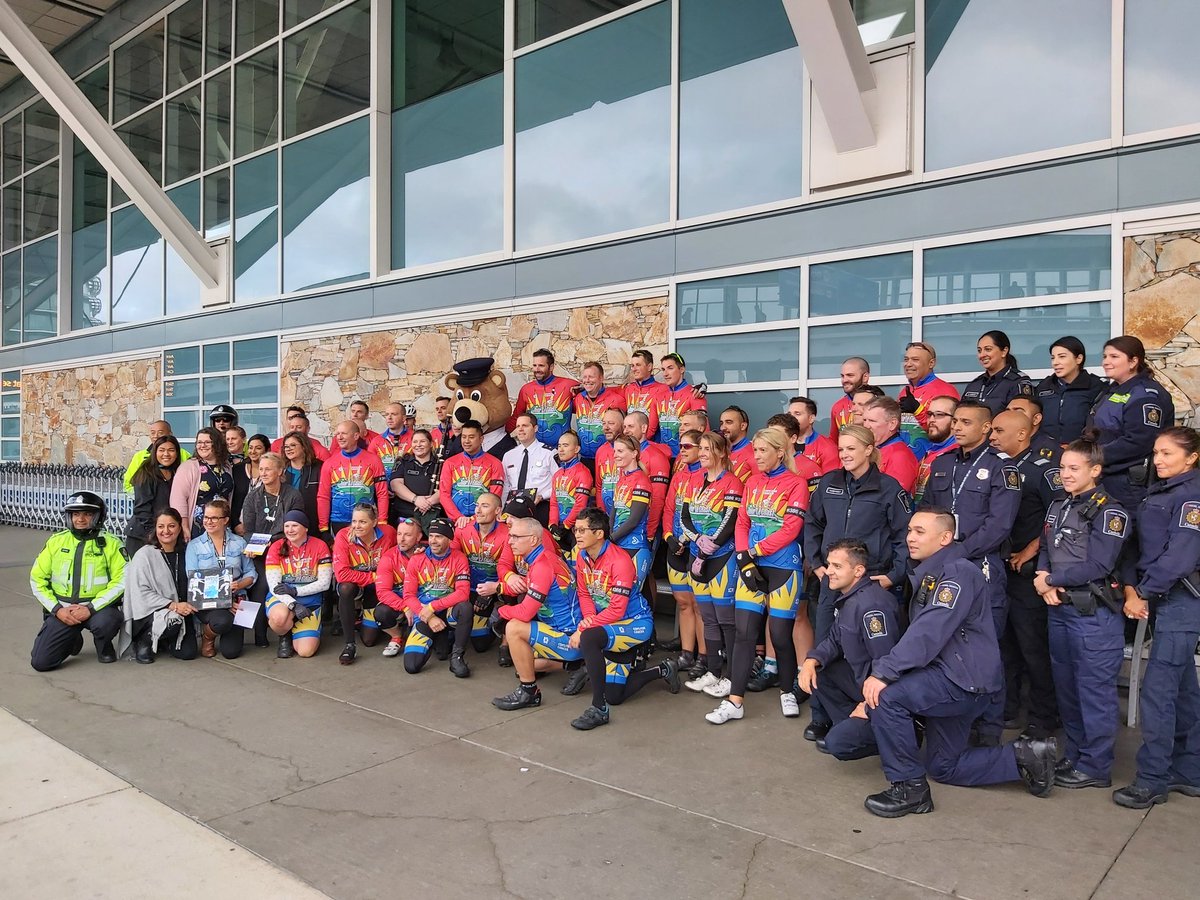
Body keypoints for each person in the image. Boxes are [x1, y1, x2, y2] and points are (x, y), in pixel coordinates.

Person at [860, 509, 1058, 818]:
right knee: (944, 767)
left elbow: (931, 629)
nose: (910, 537)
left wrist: (885, 672)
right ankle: (1025, 757)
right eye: (910, 530)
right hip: (953, 675)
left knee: (885, 698)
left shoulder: (957, 573)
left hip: (961, 679)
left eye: (920, 531)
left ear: (945, 538)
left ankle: (910, 789)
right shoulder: (933, 570)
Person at [920, 400, 1021, 743]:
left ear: (986, 428)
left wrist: (956, 552)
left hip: (980, 568)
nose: (958, 427)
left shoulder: (1001, 468)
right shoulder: (942, 462)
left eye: (966, 422)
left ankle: (988, 730)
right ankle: (952, 725)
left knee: (987, 648)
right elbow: (928, 511)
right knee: (944, 644)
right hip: (940, 569)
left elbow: (999, 525)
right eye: (956, 421)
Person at [804, 424, 911, 741]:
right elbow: (812, 524)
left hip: (869, 584)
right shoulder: (829, 483)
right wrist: (817, 563)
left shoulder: (889, 489)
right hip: (832, 580)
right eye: (841, 449)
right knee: (823, 647)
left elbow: (904, 537)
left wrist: (894, 576)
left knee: (868, 652)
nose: (845, 455)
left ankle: (868, 714)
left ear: (869, 448)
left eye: (852, 448)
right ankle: (823, 717)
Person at [1031, 440, 1127, 788]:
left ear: (1095, 470)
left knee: (1094, 693)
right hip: (1060, 610)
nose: (1066, 474)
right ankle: (1075, 756)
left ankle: (1096, 767)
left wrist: (1050, 579)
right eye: (1063, 467)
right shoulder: (1058, 505)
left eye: (1074, 468)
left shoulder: (1110, 512)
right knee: (1067, 690)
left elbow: (1099, 564)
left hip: (1093, 615)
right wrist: (1044, 580)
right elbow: (1045, 548)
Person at [1114, 426, 1200, 808]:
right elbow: (1139, 548)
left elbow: (1179, 557)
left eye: (1167, 454)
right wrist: (1133, 588)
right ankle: (1189, 771)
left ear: (1192, 457)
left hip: (1182, 599)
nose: (1159, 460)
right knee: (1182, 690)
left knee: (1159, 691)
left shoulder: (1191, 497)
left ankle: (1153, 779)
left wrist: (1143, 592)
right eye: (1156, 453)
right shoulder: (1160, 491)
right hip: (1161, 596)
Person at [707, 428, 808, 724]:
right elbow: (742, 522)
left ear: (780, 452)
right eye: (755, 451)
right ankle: (735, 701)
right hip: (751, 566)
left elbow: (791, 529)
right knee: (744, 635)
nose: (757, 456)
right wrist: (743, 556)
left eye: (763, 450)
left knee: (779, 635)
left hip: (784, 567)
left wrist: (755, 550)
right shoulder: (751, 482)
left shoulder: (797, 483)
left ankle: (788, 690)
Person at [567, 508, 681, 730]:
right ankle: (663, 670)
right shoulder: (581, 556)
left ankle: (599, 709)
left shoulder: (619, 560)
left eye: (582, 530)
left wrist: (587, 627)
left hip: (634, 623)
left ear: (599, 534)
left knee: (589, 637)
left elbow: (618, 609)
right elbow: (584, 593)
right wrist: (589, 618)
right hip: (607, 625)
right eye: (575, 529)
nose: (577, 534)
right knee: (615, 695)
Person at [991, 410, 1064, 739]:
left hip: (1028, 571)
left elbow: (1061, 512)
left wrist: (1032, 550)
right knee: (1005, 644)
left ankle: (1044, 718)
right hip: (1003, 568)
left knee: (1033, 648)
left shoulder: (1043, 470)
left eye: (999, 430)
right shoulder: (999, 466)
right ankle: (1008, 709)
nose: (992, 436)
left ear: (1022, 435)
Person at [799, 540, 902, 760]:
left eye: (837, 566)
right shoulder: (851, 597)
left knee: (838, 744)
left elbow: (886, 664)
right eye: (829, 565)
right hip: (862, 680)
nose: (829, 572)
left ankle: (895, 736)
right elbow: (835, 640)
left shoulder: (871, 606)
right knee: (821, 671)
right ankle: (852, 726)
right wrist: (811, 661)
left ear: (858, 571)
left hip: (883, 692)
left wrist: (867, 706)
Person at [491, 519, 583, 710]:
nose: (510, 541)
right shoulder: (544, 558)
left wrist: (501, 611)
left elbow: (525, 613)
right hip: (566, 634)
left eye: (516, 537)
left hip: (570, 637)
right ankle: (577, 665)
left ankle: (529, 692)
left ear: (533, 540)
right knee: (525, 663)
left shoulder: (542, 565)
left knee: (514, 628)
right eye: (510, 536)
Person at [29, 491, 126, 670]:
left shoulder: (112, 543)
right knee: (41, 663)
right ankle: (72, 638)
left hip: (97, 610)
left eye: (87, 514)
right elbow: (37, 579)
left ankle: (104, 645)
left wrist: (90, 608)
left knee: (108, 621)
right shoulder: (56, 542)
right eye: (75, 514)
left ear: (98, 516)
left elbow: (122, 580)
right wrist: (56, 610)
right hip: (63, 610)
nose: (80, 519)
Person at [681, 431, 744, 696]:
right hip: (698, 557)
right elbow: (683, 516)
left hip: (720, 558)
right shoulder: (693, 480)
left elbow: (730, 522)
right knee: (708, 618)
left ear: (720, 452)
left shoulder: (732, 482)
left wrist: (707, 550)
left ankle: (730, 676)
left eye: (707, 449)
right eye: (701, 448)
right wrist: (697, 539)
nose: (702, 453)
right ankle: (714, 671)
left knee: (726, 620)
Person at [1085, 335, 1175, 512]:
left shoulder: (1146, 394)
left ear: (1133, 361)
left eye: (1114, 357)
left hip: (1130, 484)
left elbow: (1139, 441)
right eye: (1105, 356)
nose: (1106, 362)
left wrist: (1092, 457)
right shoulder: (1111, 391)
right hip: (1107, 476)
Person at [238, 451, 304, 648]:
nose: (264, 473)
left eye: (268, 469)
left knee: (279, 588)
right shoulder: (253, 497)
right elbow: (248, 530)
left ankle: (286, 631)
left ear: (280, 471)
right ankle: (258, 635)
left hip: (285, 550)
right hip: (258, 552)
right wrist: (259, 546)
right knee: (257, 588)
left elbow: (295, 527)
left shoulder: (293, 495)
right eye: (261, 469)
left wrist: (272, 543)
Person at [119, 509, 198, 663]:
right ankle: (144, 640)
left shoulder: (186, 552)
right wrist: (173, 605)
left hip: (183, 610)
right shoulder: (144, 555)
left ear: (180, 528)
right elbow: (140, 593)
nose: (166, 531)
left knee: (188, 653)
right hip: (149, 613)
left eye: (171, 526)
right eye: (161, 526)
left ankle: (163, 640)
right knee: (173, 621)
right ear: (155, 528)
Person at [186, 499, 256, 660]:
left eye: (214, 518)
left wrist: (239, 585)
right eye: (206, 517)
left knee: (231, 652)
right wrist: (225, 600)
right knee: (223, 620)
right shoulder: (194, 546)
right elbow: (193, 579)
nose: (208, 522)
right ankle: (208, 637)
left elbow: (251, 572)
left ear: (225, 520)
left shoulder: (239, 543)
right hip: (208, 602)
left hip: (237, 597)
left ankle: (224, 628)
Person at [402, 518, 473, 676]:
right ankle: (438, 637)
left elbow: (463, 593)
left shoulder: (459, 558)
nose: (433, 541)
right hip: (424, 614)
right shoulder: (417, 559)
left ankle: (457, 657)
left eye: (439, 536)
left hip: (447, 611)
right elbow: (408, 596)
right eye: (431, 535)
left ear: (449, 539)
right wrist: (429, 616)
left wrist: (433, 607)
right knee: (412, 666)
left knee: (465, 608)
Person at [332, 502, 396, 664]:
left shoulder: (389, 533)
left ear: (374, 522)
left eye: (362, 522)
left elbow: (397, 559)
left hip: (376, 588)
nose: (357, 526)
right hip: (357, 584)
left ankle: (362, 620)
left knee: (369, 640)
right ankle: (349, 645)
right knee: (345, 588)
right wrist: (374, 577)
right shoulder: (343, 536)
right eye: (354, 521)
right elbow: (341, 574)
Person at [265, 510, 333, 659]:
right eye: (287, 526)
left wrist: (295, 591)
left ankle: (303, 625)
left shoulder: (320, 546)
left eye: (295, 525)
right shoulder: (277, 547)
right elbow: (274, 586)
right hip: (282, 598)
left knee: (305, 652)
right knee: (279, 618)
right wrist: (293, 605)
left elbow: (324, 583)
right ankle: (285, 635)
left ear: (306, 528)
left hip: (309, 599)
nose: (290, 530)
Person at [454, 492, 513, 659]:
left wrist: (493, 593)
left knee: (480, 646)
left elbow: (509, 568)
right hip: (469, 588)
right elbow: (451, 560)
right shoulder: (463, 528)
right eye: (477, 505)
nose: (478, 510)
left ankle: (498, 610)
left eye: (485, 506)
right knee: (468, 639)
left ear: (498, 511)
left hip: (495, 590)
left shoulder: (508, 533)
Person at [664, 429, 704, 672]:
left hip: (696, 547)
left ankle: (704, 656)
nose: (682, 451)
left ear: (701, 449)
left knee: (700, 605)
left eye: (687, 446)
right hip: (675, 545)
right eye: (680, 446)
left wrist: (691, 540)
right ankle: (687, 653)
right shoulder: (679, 476)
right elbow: (669, 509)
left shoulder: (708, 477)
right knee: (683, 603)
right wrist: (669, 537)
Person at [317, 420, 388, 537]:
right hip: (338, 521)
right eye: (337, 434)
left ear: (356, 436)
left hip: (366, 520)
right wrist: (323, 527)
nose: (339, 437)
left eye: (343, 433)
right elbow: (323, 497)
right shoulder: (329, 463)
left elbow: (382, 493)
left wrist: (382, 521)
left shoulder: (374, 460)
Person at [1036, 336, 1105, 445]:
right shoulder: (1043, 387)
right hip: (1046, 451)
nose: (1055, 362)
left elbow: (1099, 426)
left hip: (1082, 452)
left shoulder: (1096, 387)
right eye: (1053, 358)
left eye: (1062, 357)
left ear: (1079, 358)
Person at [170, 427, 234, 540]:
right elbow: (178, 499)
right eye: (199, 442)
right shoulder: (188, 467)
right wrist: (184, 526)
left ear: (217, 444)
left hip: (221, 524)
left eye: (207, 442)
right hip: (198, 525)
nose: (202, 445)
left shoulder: (226, 466)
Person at [439, 419, 505, 528]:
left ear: (481, 439)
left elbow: (495, 496)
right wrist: (458, 518)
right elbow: (444, 494)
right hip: (456, 522)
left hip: (483, 522)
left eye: (471, 437)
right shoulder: (450, 463)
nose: (466, 441)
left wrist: (475, 519)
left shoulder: (495, 463)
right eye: (463, 437)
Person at [374, 517, 424, 658]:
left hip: (423, 602)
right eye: (399, 534)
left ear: (419, 537)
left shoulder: (428, 552)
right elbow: (383, 592)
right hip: (400, 603)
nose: (401, 539)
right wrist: (405, 607)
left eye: (407, 535)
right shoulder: (388, 557)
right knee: (381, 613)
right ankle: (396, 637)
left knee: (441, 651)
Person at [509, 348, 580, 447]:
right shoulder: (526, 389)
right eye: (534, 365)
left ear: (551, 367)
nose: (537, 369)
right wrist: (501, 434)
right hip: (534, 450)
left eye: (541, 366)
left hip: (561, 451)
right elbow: (516, 416)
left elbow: (590, 398)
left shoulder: (568, 385)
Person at [126, 435, 182, 557]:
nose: (166, 454)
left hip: (165, 534)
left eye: (171, 450)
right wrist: (155, 534)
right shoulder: (146, 473)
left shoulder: (177, 473)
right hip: (143, 536)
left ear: (177, 453)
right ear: (155, 452)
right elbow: (142, 509)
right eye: (161, 450)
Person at [897, 341, 959, 450]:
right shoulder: (904, 391)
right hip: (907, 460)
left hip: (933, 458)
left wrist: (917, 410)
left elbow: (950, 430)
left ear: (931, 363)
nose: (908, 364)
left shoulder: (946, 390)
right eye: (906, 359)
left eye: (915, 360)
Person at [503, 413, 558, 525]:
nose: (521, 429)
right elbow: (505, 485)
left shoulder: (549, 453)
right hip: (514, 507)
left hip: (540, 506)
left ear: (535, 428)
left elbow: (560, 483)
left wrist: (543, 496)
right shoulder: (509, 455)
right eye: (518, 426)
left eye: (525, 426)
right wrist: (502, 508)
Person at [961, 330, 1034, 414]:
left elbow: (1022, 418)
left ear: (1004, 351)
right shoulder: (975, 384)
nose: (982, 355)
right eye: (979, 350)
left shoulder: (1018, 381)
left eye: (988, 349)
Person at [572, 361, 625, 469]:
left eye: (591, 377)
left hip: (608, 457)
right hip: (584, 458)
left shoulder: (616, 400)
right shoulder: (578, 399)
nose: (587, 380)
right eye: (585, 377)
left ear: (601, 378)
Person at [863, 397, 919, 494]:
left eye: (872, 421)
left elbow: (893, 497)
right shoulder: (874, 448)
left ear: (892, 424)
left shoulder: (900, 456)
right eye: (865, 420)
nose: (866, 426)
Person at [391, 428, 442, 532]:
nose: (418, 445)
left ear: (431, 444)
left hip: (432, 516)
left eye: (422, 441)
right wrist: (416, 499)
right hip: (405, 516)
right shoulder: (403, 461)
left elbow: (446, 488)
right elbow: (395, 484)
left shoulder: (441, 464)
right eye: (415, 441)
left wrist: (428, 502)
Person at [656, 351, 706, 457]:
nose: (665, 374)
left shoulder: (695, 394)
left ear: (682, 369)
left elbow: (704, 430)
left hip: (686, 456)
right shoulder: (659, 395)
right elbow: (651, 429)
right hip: (664, 456)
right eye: (663, 369)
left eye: (670, 368)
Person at [549, 430, 593, 546]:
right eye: (559, 446)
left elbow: (580, 504)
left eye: (565, 445)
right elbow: (554, 502)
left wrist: (566, 525)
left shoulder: (583, 472)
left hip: (577, 529)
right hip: (559, 529)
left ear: (576, 449)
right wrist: (552, 524)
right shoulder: (557, 474)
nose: (561, 450)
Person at [914, 395, 958, 505]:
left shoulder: (957, 454)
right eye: (929, 414)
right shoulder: (930, 449)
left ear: (954, 421)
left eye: (939, 415)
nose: (932, 420)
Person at [123, 420, 189, 492]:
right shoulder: (140, 456)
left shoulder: (184, 454)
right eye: (152, 433)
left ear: (170, 434)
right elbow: (128, 484)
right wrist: (144, 493)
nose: (156, 436)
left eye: (160, 433)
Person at [281, 430, 322, 531]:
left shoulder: (319, 467)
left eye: (293, 445)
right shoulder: (281, 469)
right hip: (286, 524)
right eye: (286, 446)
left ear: (303, 446)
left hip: (313, 523)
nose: (288, 449)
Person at [369, 402, 415, 491]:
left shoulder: (415, 438)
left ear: (404, 418)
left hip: (409, 492)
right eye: (387, 414)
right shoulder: (376, 441)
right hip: (383, 492)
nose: (389, 417)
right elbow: (370, 468)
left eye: (394, 414)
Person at [624, 349, 667, 440]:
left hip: (651, 445)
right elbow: (607, 392)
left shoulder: (663, 389)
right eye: (632, 365)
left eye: (638, 365)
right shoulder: (628, 388)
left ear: (649, 367)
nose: (634, 369)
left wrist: (699, 389)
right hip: (631, 445)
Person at [790, 396, 839, 474]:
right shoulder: (782, 444)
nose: (791, 418)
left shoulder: (828, 447)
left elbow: (831, 481)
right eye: (789, 414)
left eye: (797, 414)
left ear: (811, 418)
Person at [1006, 396, 1062, 461]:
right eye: (1007, 412)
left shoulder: (1052, 450)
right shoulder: (998, 443)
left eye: (1018, 412)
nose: (1009, 416)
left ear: (1036, 419)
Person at [593, 407, 626, 514]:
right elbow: (599, 487)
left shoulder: (633, 450)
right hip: (606, 516)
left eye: (611, 423)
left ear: (623, 426)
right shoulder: (600, 451)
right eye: (603, 423)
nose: (606, 428)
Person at [829, 358, 870, 443]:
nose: (844, 380)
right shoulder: (837, 407)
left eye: (850, 375)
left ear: (865, 377)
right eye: (842, 376)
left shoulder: (878, 402)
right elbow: (834, 442)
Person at [720, 406, 755, 481]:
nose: (723, 428)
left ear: (742, 426)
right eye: (721, 423)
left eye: (729, 422)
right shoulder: (718, 452)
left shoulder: (755, 452)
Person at [226, 426, 251, 527]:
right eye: (227, 439)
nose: (230, 442)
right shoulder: (221, 461)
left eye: (233, 438)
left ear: (244, 440)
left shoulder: (251, 462)